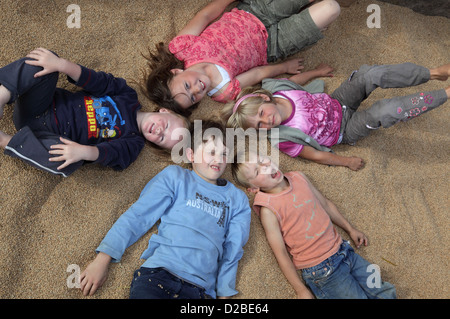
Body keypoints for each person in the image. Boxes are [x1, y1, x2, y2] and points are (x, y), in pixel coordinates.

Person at [80, 120, 251, 299]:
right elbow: (139, 215)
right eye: (212, 152)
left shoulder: (237, 199)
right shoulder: (176, 177)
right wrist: (102, 259)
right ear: (191, 154)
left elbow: (233, 248)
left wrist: (224, 292)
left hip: (201, 290)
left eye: (224, 154)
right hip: (158, 276)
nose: (219, 159)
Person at [231, 149, 397, 299]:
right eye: (257, 170)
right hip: (322, 271)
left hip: (345, 251)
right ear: (253, 188)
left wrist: (350, 229)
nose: (266, 165)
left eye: (263, 159)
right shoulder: (268, 209)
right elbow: (280, 252)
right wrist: (300, 290)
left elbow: (325, 204)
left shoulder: (298, 177)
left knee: (384, 290)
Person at [222, 62, 450, 170]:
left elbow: (293, 83)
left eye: (262, 114)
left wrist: (316, 72)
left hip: (338, 101)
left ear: (264, 99)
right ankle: (445, 94)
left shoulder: (277, 89)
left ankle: (434, 73)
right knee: (385, 110)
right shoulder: (282, 138)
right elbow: (315, 156)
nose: (266, 122)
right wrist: (346, 162)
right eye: (259, 126)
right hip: (346, 129)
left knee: (369, 74)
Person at [0, 48, 190, 177]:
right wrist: (62, 65)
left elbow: (112, 153)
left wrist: (83, 151)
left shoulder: (133, 143)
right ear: (164, 111)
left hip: (45, 137)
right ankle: (2, 95)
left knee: (68, 162)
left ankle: (5, 140)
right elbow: (99, 81)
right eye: (165, 126)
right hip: (40, 105)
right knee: (47, 59)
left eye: (163, 139)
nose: (159, 131)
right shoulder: (127, 95)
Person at [143, 0, 340, 115]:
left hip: (255, 10)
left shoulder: (182, 49)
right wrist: (285, 67)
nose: (197, 89)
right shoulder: (223, 91)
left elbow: (205, 16)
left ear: (176, 71)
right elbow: (259, 72)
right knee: (331, 8)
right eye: (193, 98)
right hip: (274, 44)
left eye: (187, 86)